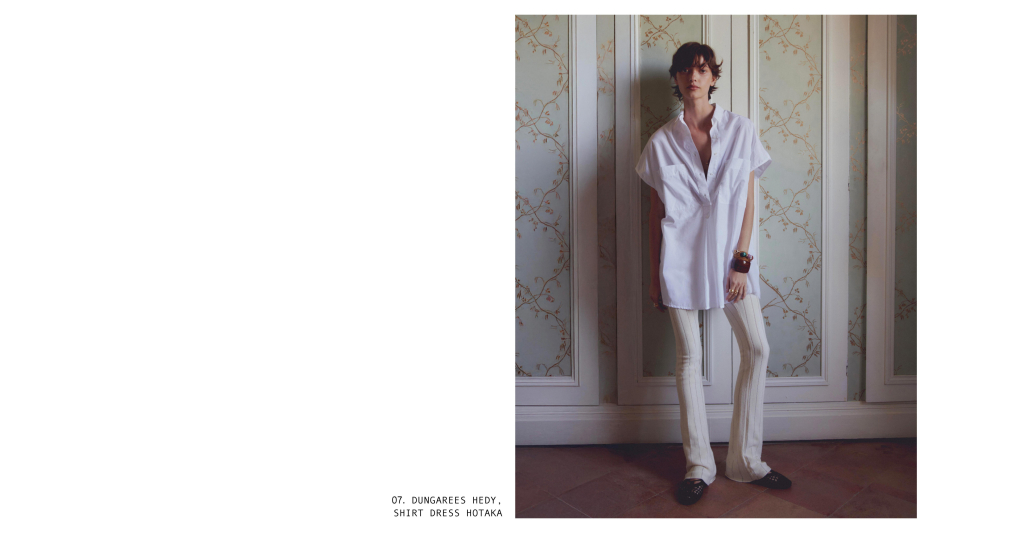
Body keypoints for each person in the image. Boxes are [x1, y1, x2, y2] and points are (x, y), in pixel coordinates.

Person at [634, 42, 793, 506]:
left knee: (757, 348)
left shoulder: (741, 131)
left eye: (701, 69)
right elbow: (655, 214)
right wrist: (653, 276)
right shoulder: (660, 142)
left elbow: (748, 200)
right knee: (689, 359)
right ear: (676, 79)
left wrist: (741, 261)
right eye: (685, 70)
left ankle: (745, 461)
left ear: (713, 77)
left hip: (730, 261)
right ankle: (699, 465)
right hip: (678, 263)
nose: (693, 77)